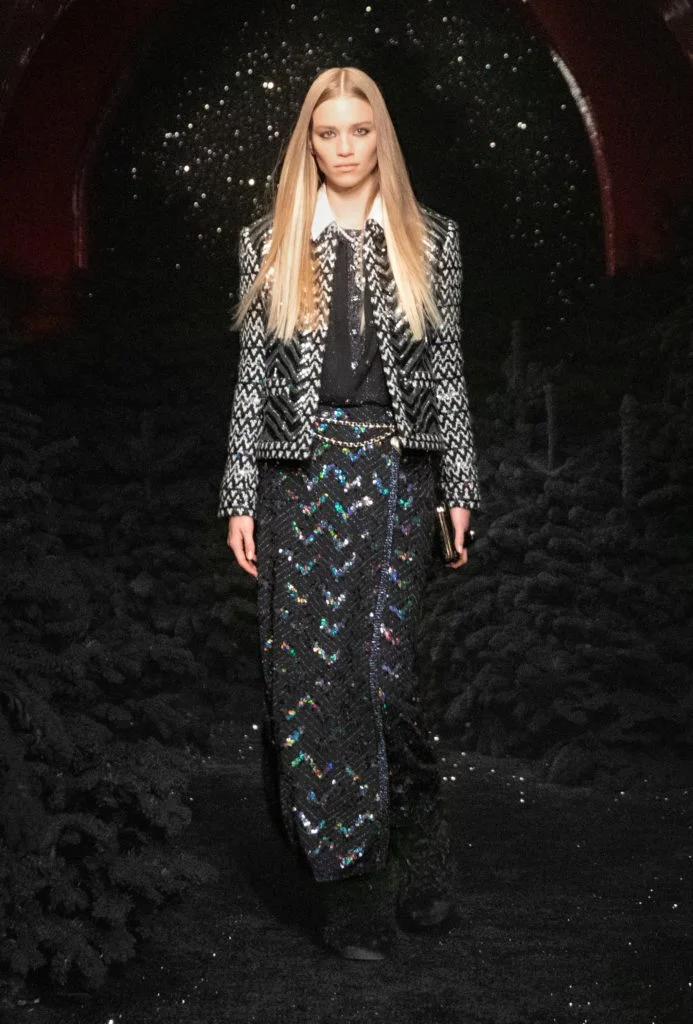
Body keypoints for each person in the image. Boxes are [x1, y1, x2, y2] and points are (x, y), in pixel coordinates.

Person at [218, 66, 482, 961]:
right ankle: (352, 890)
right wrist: (239, 496)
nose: (342, 147)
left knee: (378, 680)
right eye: (326, 131)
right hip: (295, 481)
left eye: (358, 130)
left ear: (380, 137)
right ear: (308, 140)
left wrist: (458, 485)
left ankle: (418, 848)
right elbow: (251, 379)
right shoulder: (268, 239)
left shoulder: (429, 237)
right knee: (307, 685)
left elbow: (446, 367)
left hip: (395, 474)